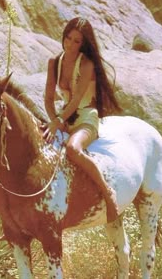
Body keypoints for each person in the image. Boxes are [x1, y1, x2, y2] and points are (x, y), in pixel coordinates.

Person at [42, 17, 122, 222]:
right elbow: (48, 98)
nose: (70, 44)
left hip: (86, 116)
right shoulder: (54, 62)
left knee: (72, 149)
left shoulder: (87, 64)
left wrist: (58, 122)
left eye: (76, 41)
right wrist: (54, 121)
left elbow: (77, 100)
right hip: (63, 117)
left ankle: (108, 193)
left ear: (84, 43)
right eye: (68, 38)